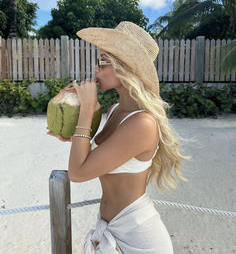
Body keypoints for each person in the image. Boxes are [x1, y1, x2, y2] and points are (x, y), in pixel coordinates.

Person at [47, 21, 191, 253]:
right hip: (108, 225)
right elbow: (95, 161)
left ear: (126, 68)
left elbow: (78, 173)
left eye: (103, 61)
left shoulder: (142, 123)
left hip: (137, 236)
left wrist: (86, 111)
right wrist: (73, 134)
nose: (96, 69)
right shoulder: (115, 111)